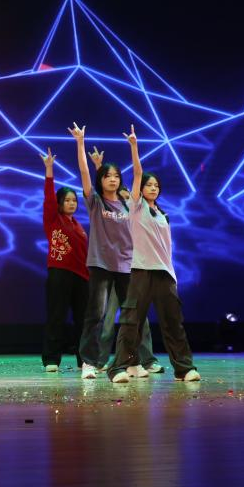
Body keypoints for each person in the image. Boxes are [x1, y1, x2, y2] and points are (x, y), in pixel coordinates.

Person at [108, 126, 200, 383]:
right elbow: (137, 172)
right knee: (131, 323)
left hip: (164, 273)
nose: (153, 188)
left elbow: (167, 248)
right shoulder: (136, 207)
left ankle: (184, 368)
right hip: (140, 271)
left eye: (156, 185)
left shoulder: (162, 215)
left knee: (173, 323)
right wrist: (134, 147)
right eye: (149, 185)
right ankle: (119, 368)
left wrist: (172, 275)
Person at [68, 123, 148, 380]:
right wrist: (80, 142)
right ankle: (89, 362)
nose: (112, 179)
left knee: (131, 316)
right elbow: (84, 171)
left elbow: (138, 173)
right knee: (96, 315)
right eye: (107, 176)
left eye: (116, 175)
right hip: (100, 264)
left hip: (126, 265)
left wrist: (134, 146)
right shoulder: (95, 201)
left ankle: (131, 362)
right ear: (101, 180)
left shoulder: (128, 203)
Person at [88, 147, 163, 373]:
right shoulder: (114, 202)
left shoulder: (138, 208)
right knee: (107, 318)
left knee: (139, 318)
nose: (152, 188)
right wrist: (98, 167)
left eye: (156, 186)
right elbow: (102, 191)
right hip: (109, 265)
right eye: (108, 177)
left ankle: (144, 360)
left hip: (131, 266)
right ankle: (101, 360)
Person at [39, 147, 88, 372]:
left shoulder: (79, 226)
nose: (71, 203)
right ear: (59, 203)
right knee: (56, 317)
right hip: (59, 273)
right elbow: (48, 198)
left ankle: (84, 359)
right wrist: (49, 170)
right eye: (67, 200)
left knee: (83, 320)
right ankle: (51, 359)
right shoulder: (53, 219)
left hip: (82, 277)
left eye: (74, 200)